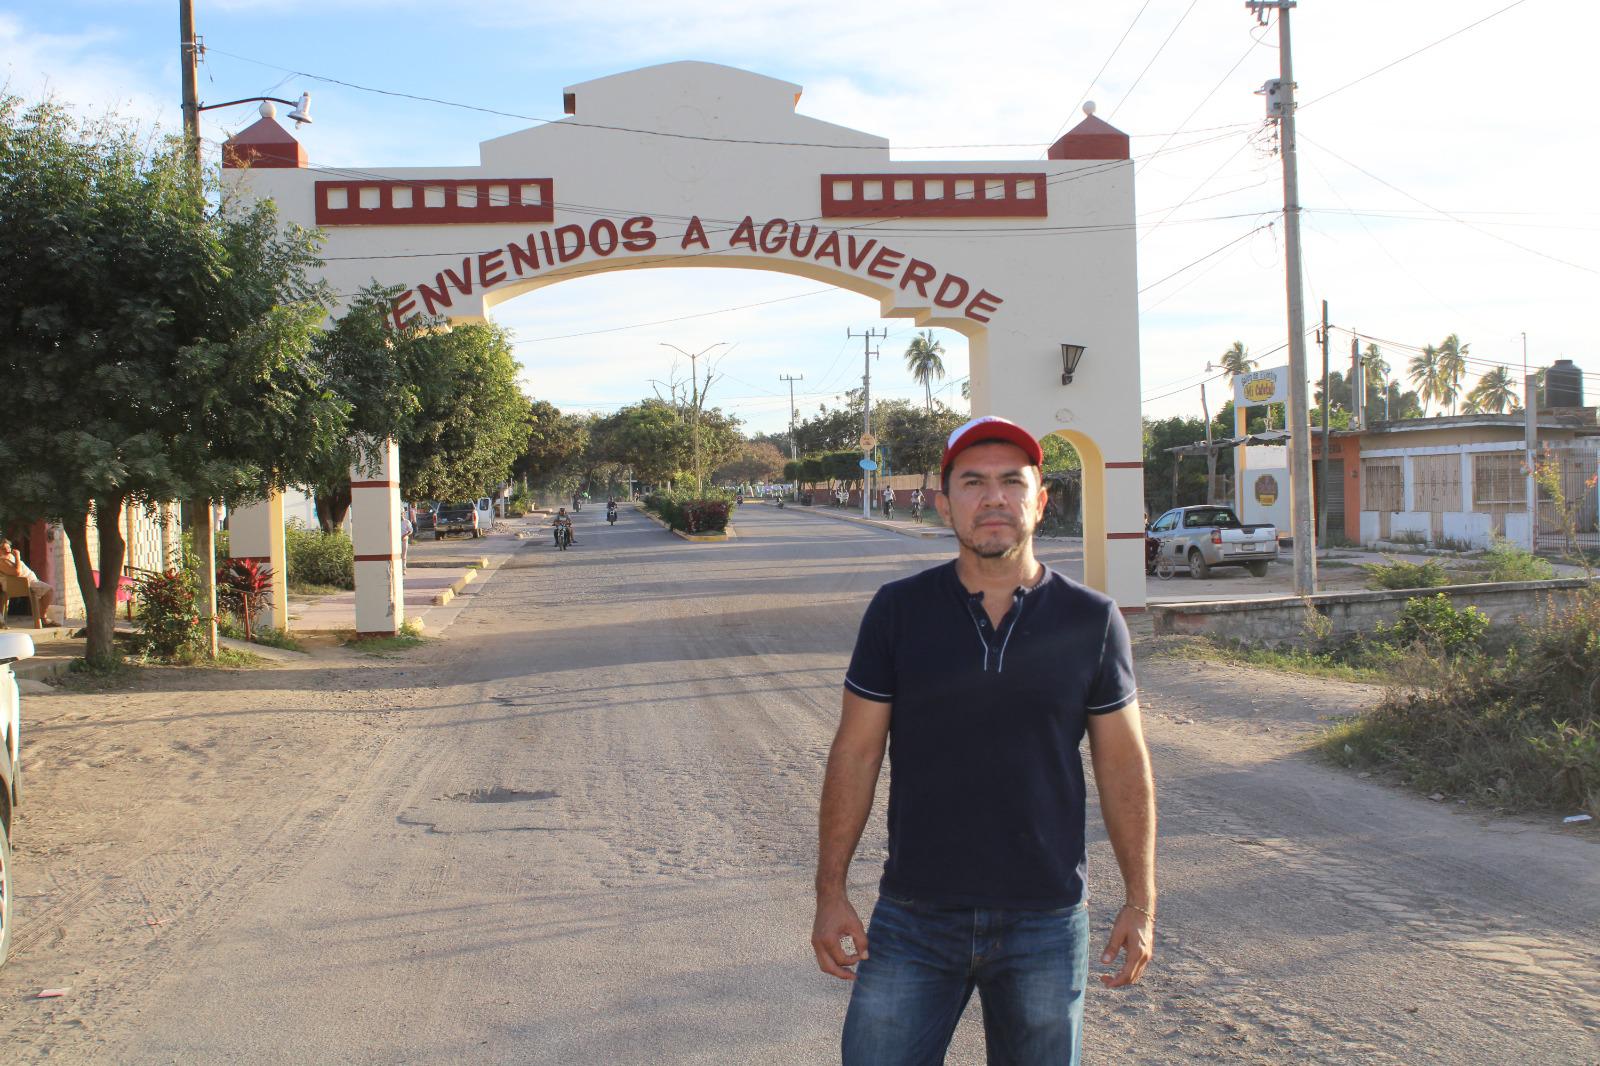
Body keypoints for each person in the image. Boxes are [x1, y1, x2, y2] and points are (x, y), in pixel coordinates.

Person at [812, 415, 1156, 1065]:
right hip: (916, 913)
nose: (993, 498)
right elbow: (855, 753)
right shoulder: (898, 611)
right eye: (972, 482)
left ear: (1040, 499)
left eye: (1011, 481)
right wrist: (830, 893)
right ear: (944, 503)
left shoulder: (1091, 621)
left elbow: (1123, 765)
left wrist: (1142, 901)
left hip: (1046, 922)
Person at [0, 536, 54, 624]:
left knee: (42, 596)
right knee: (49, 590)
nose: (7, 551)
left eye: (9, 548)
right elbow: (17, 572)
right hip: (26, 584)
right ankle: (42, 618)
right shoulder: (2, 561)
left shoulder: (8, 557)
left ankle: (41, 619)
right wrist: (18, 556)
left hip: (30, 582)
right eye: (4, 549)